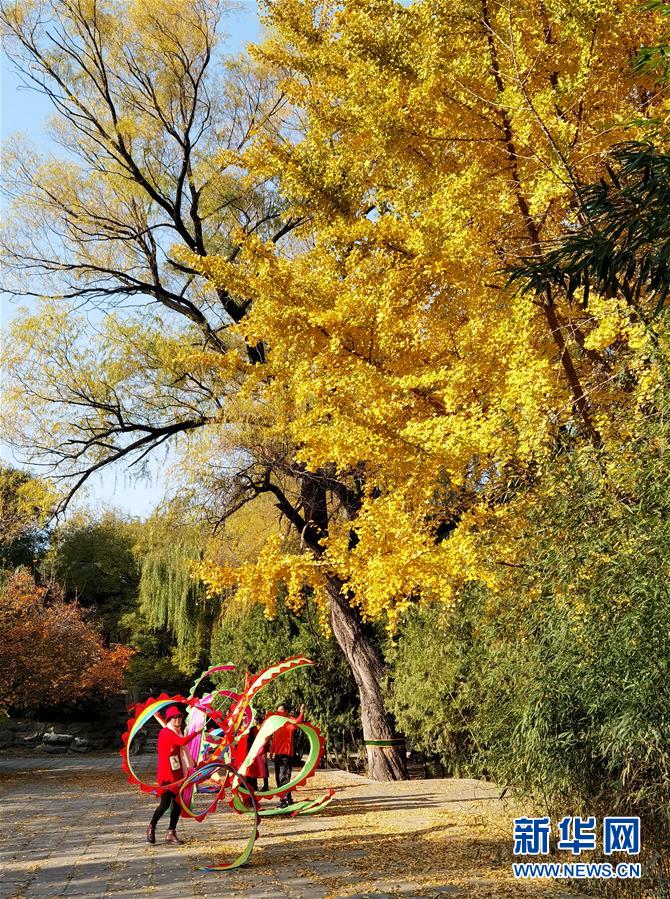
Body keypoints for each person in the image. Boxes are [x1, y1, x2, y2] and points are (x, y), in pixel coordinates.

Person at [146, 706, 203, 845]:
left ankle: (171, 832)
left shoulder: (178, 732)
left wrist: (192, 762)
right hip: (167, 775)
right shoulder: (166, 732)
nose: (178, 719)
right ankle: (151, 826)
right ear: (169, 719)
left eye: (179, 717)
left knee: (178, 804)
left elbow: (184, 751)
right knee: (165, 804)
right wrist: (196, 732)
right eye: (175, 717)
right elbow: (182, 743)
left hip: (178, 773)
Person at [269, 703, 304, 808]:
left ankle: (284, 800)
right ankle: (287, 798)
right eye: (278, 710)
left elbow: (298, 722)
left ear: (286, 711)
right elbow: (274, 738)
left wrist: (302, 712)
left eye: (281, 710)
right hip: (278, 753)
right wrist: (271, 751)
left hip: (286, 752)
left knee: (284, 776)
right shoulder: (277, 722)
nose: (279, 712)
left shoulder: (289, 720)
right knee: (278, 777)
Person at [245, 713, 269, 795]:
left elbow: (265, 740)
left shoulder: (263, 729)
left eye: (256, 720)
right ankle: (254, 786)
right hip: (254, 751)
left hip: (261, 751)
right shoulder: (252, 729)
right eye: (254, 720)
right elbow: (249, 741)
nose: (255, 721)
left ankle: (266, 786)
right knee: (254, 768)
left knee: (264, 769)